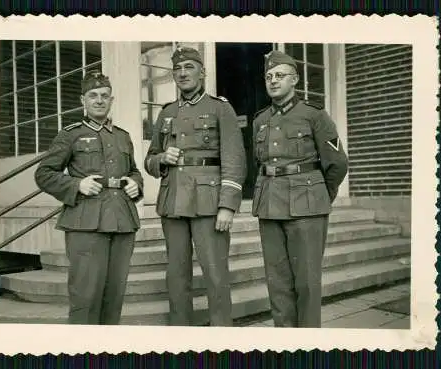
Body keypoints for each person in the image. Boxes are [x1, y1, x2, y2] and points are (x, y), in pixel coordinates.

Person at [144, 46, 247, 326]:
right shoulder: (166, 113)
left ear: (202, 72)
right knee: (176, 276)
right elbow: (149, 159)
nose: (182, 73)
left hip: (208, 202)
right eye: (177, 68)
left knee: (215, 274)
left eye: (189, 67)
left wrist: (227, 205)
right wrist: (161, 159)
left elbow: (235, 159)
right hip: (173, 200)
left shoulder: (219, 107)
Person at [34, 70, 143, 325]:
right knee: (85, 297)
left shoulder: (123, 136)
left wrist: (136, 184)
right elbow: (44, 174)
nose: (99, 100)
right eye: (92, 95)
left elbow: (134, 171)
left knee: (114, 297)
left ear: (111, 101)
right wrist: (76, 184)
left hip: (122, 221)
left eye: (105, 95)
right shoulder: (70, 134)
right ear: (83, 100)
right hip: (85, 223)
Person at [251, 50, 349, 328]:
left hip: (307, 204)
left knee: (306, 283)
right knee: (277, 283)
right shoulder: (260, 120)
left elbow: (337, 163)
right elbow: (259, 163)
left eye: (279, 75)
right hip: (269, 204)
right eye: (269, 76)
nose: (273, 81)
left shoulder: (314, 115)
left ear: (294, 79)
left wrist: (319, 194)